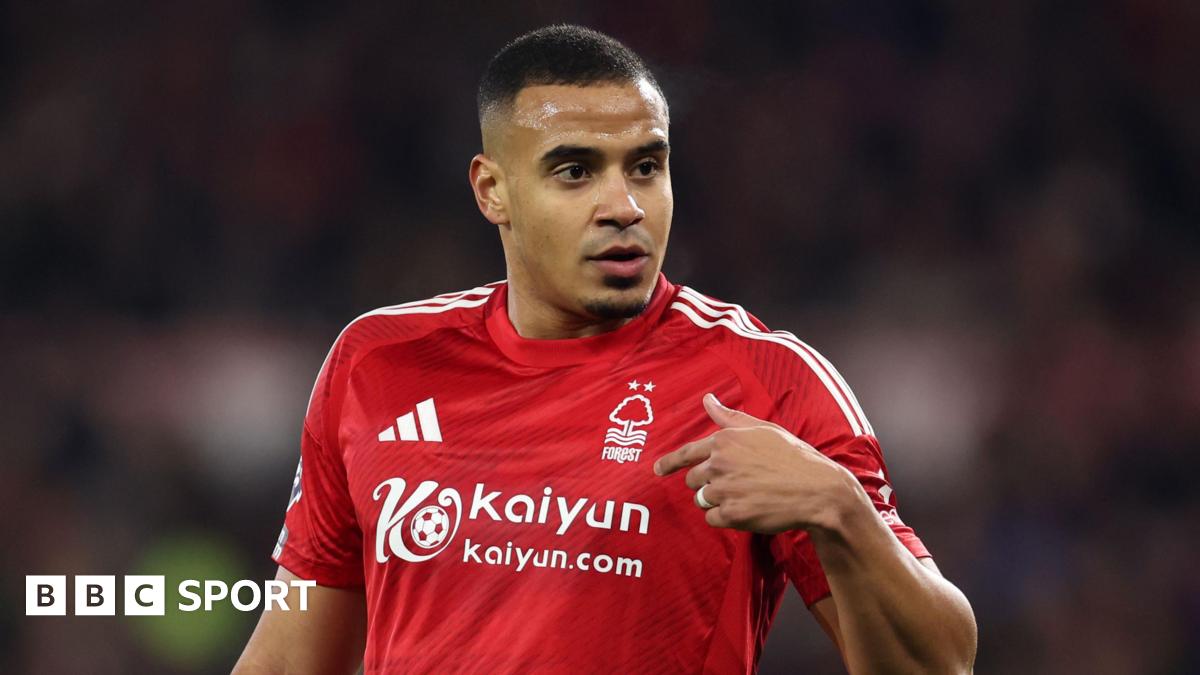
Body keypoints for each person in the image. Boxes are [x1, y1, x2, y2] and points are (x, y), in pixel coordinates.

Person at [233, 24, 976, 674]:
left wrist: (841, 509)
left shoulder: (762, 382)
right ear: (492, 190)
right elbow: (293, 657)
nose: (623, 207)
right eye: (575, 171)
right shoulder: (376, 364)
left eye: (646, 167)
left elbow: (941, 663)